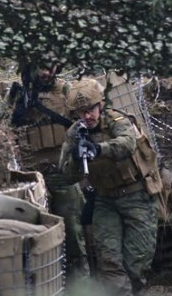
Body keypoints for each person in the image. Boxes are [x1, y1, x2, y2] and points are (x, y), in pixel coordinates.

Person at [59, 78, 161, 295]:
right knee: (109, 260)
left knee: (136, 263)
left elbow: (126, 143)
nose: (87, 116)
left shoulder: (116, 120)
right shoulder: (75, 133)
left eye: (91, 109)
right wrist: (77, 158)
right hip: (106, 200)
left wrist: (97, 149)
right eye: (81, 112)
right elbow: (66, 174)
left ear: (100, 104)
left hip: (137, 197)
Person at [6, 64, 90, 282]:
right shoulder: (17, 95)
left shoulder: (65, 92)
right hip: (31, 179)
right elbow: (0, 131)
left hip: (63, 176)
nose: (47, 73)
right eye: (42, 67)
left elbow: (86, 124)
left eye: (52, 68)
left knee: (73, 237)